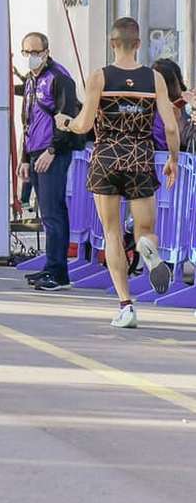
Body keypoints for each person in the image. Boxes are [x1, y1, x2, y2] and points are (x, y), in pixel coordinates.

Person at [64, 18, 181, 328]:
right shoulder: (154, 79)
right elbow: (170, 126)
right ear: (138, 44)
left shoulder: (99, 77)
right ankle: (147, 248)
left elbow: (85, 124)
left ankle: (126, 306)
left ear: (112, 43)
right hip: (140, 158)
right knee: (145, 229)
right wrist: (172, 159)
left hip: (106, 159)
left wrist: (67, 123)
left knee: (113, 232)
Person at [14, 32, 82, 292]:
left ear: (46, 51)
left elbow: (67, 117)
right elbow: (27, 119)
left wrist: (53, 149)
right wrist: (24, 158)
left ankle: (58, 273)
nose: (31, 57)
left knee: (54, 213)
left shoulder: (59, 77)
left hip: (53, 152)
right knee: (46, 213)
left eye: (35, 52)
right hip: (35, 152)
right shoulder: (32, 79)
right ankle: (51, 267)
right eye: (26, 53)